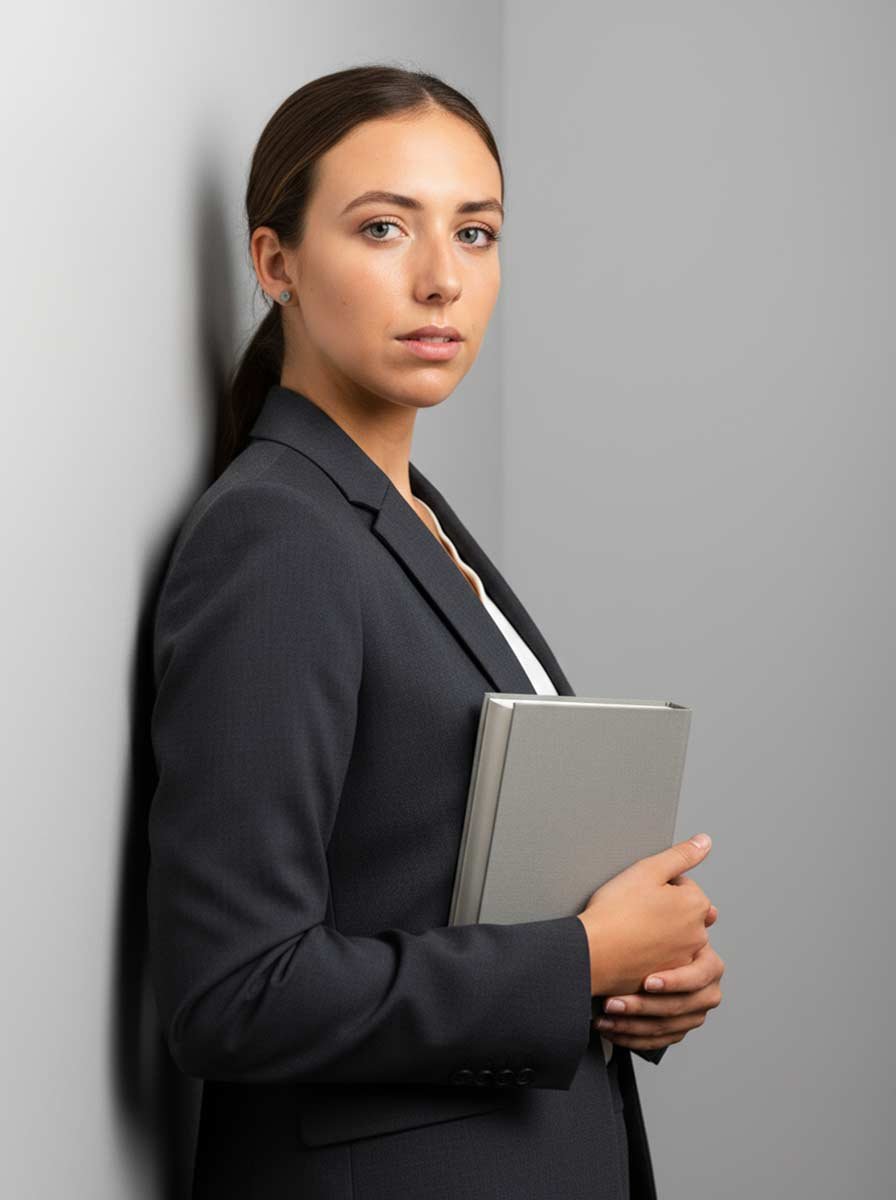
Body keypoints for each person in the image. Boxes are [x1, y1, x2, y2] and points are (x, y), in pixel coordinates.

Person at [147, 64, 724, 1200]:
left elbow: (427, 882)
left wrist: (634, 980)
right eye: (380, 228)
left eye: (474, 232)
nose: (438, 280)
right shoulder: (275, 535)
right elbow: (233, 994)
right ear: (276, 265)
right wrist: (578, 960)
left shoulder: (406, 520)